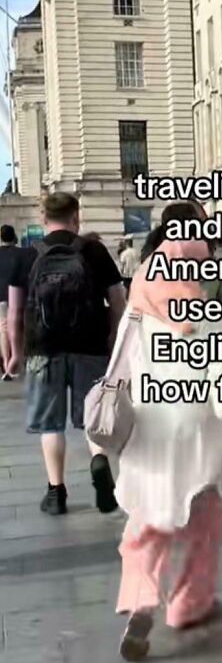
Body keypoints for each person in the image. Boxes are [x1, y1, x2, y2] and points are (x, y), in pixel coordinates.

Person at [114, 235, 222, 662]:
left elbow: (118, 369)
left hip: (148, 429)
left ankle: (141, 603)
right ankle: (188, 603)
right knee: (202, 521)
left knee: (146, 524)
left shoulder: (138, 305)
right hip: (196, 431)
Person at [6, 192, 125, 515]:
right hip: (90, 346)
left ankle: (56, 492)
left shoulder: (27, 256)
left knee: (51, 425)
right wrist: (114, 339)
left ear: (43, 218)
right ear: (76, 217)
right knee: (93, 417)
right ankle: (99, 461)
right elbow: (118, 301)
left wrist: (15, 353)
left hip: (43, 348)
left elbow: (14, 313)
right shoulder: (94, 251)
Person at [0, 225, 22, 379]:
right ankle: (16, 361)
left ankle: (6, 363)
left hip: (0, 295)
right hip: (17, 294)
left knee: (3, 328)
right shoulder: (20, 254)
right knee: (17, 327)